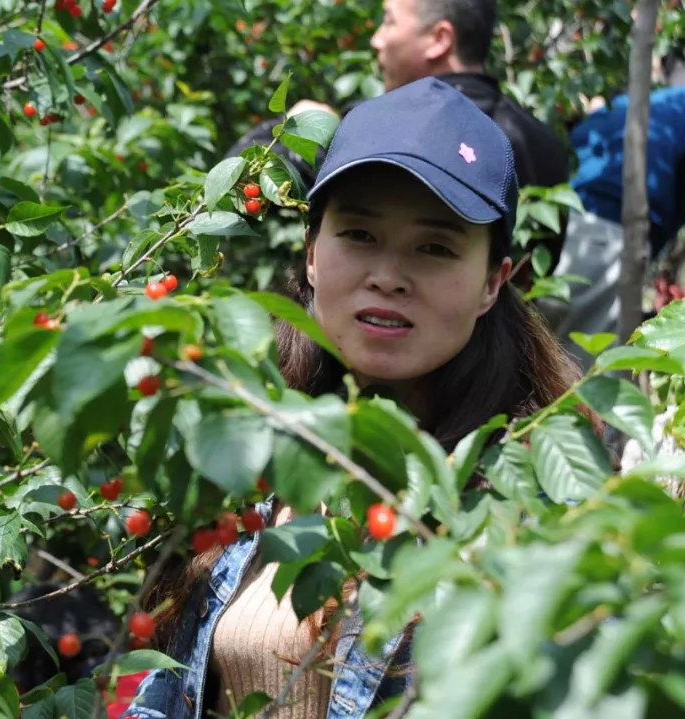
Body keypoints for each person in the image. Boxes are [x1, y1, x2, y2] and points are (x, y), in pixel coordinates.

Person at [122, 77, 587, 719]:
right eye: (359, 236)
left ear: (492, 282)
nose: (388, 276)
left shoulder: (529, 508)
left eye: (435, 247)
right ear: (312, 254)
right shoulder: (248, 454)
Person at [227, 0, 570, 275]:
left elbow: (231, 187)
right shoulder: (543, 142)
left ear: (439, 39)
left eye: (389, 21)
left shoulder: (376, 131)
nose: (376, 38)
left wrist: (297, 130)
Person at [542, 56, 685, 369]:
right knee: (589, 373)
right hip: (609, 223)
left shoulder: (670, 102)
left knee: (539, 348)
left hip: (555, 209)